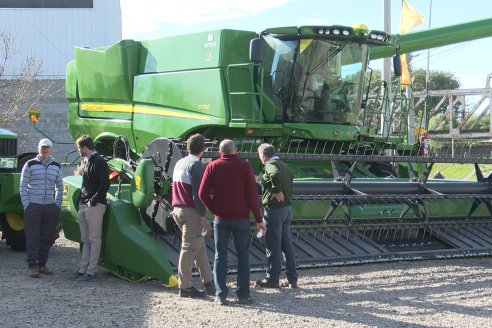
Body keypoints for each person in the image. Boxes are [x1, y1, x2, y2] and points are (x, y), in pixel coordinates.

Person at [198, 139, 266, 305]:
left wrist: (214, 209)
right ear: (235, 151)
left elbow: (202, 193)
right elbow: (252, 195)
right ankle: (243, 294)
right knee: (243, 256)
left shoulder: (212, 166)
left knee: (220, 257)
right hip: (241, 218)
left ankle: (221, 295)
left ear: (220, 152)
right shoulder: (245, 167)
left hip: (221, 219)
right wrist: (259, 219)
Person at [171, 134, 214, 298]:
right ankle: (185, 287)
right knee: (189, 249)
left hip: (178, 209)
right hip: (192, 212)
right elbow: (198, 194)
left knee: (198, 246)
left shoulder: (179, 163)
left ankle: (208, 282)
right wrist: (203, 216)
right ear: (203, 149)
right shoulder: (196, 165)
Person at [256, 143, 298, 289]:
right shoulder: (286, 166)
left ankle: (272, 278)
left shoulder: (270, 165)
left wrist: (276, 190)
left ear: (263, 156)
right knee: (287, 244)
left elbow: (274, 174)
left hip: (274, 210)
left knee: (273, 245)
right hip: (287, 209)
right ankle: (292, 278)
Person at [20, 138, 63, 278]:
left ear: (51, 149)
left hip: (50, 207)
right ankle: (32, 266)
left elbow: (60, 186)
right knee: (32, 237)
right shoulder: (30, 164)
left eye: (47, 147)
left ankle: (42, 265)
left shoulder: (56, 166)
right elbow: (23, 186)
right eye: (42, 147)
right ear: (38, 148)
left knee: (47, 237)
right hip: (33, 206)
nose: (44, 149)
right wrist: (27, 204)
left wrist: (57, 203)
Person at [72, 135, 110, 282]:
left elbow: (105, 183)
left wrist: (94, 199)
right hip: (86, 203)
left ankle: (91, 271)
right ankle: (83, 270)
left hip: (94, 205)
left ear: (84, 148)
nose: (78, 151)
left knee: (93, 239)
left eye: (78, 148)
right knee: (86, 239)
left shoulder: (99, 162)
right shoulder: (88, 161)